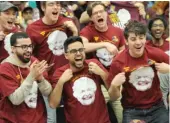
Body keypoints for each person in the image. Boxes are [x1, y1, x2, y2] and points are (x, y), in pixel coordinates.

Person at [108, 20, 169, 123]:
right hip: (132, 111)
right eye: (133, 39)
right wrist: (114, 85)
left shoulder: (155, 53)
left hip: (157, 108)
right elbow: (113, 97)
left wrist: (168, 69)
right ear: (126, 41)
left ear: (145, 38)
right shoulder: (118, 62)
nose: (138, 42)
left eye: (141, 38)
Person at [26, 2, 78, 123]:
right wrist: (39, 66)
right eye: (51, 4)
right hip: (47, 81)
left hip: (69, 76)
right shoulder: (33, 28)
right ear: (43, 8)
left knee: (74, 114)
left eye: (58, 4)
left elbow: (77, 49)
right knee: (51, 118)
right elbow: (28, 56)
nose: (56, 7)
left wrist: (75, 32)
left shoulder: (67, 23)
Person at [80, 2, 125, 122]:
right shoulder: (87, 30)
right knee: (94, 114)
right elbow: (82, 46)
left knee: (121, 113)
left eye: (101, 11)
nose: (99, 14)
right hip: (96, 82)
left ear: (106, 14)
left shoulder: (117, 31)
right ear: (91, 18)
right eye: (95, 13)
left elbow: (124, 51)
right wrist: (105, 44)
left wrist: (119, 55)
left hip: (115, 79)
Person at [49, 36, 110, 123]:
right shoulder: (60, 73)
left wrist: (102, 73)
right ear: (66, 55)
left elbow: (114, 91)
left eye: (81, 50)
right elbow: (53, 104)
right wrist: (61, 82)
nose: (78, 53)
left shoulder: (94, 64)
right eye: (73, 51)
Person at [0, 32, 52, 123]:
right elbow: (15, 99)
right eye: (24, 47)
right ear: (13, 49)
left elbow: (47, 92)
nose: (28, 50)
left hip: (38, 119)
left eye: (30, 46)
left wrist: (40, 79)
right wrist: (31, 76)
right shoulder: (5, 68)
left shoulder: (34, 61)